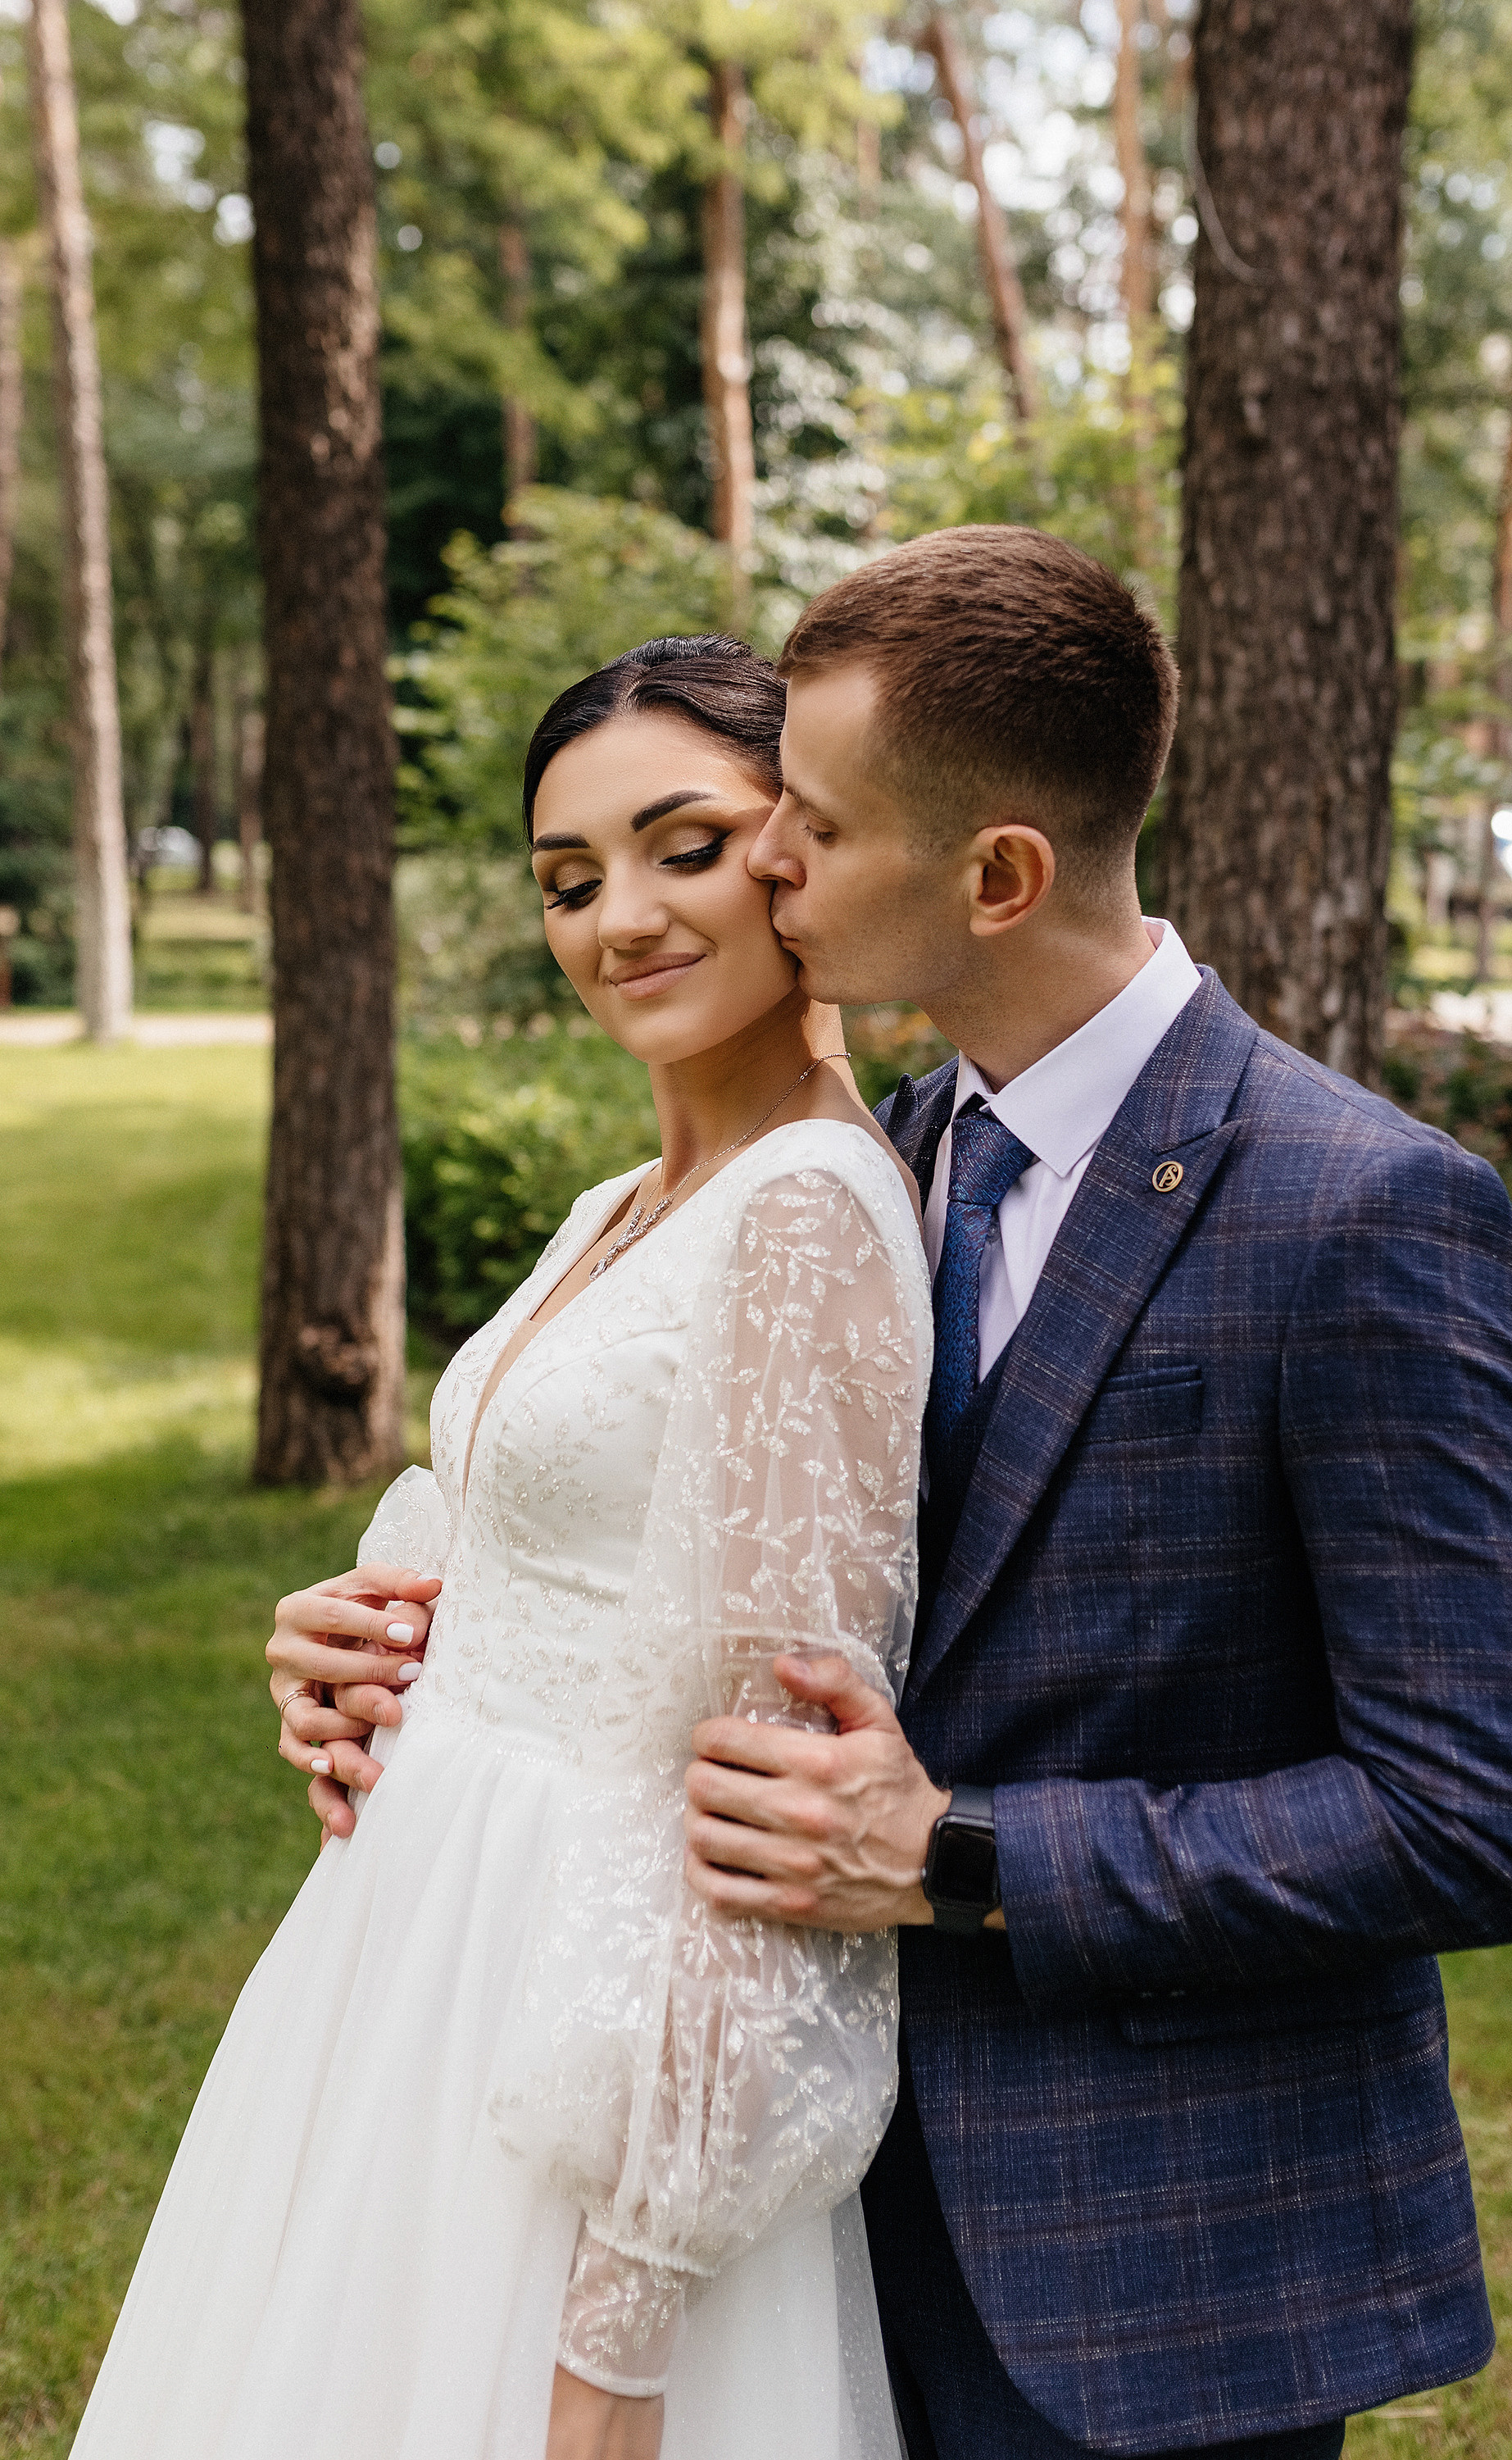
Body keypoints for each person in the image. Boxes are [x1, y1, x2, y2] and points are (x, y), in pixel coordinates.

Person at [275, 529, 1512, 2460]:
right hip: (828, 2218)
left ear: (996, 875)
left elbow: (1475, 1818)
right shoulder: (881, 1163)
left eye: (805, 822)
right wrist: (426, 1633)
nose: (767, 863)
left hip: (1153, 2263)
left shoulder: (1356, 1211)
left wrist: (961, 1850)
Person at [70, 637, 932, 2460]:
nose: (618, 915)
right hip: (419, 1959)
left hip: (587, 2029)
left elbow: (765, 1795)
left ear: (800, 848)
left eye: (682, 846)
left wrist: (620, 2333)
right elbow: (536, 1535)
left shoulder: (808, 1221)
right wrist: (362, 1636)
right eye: (567, 878)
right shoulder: (623, 1206)